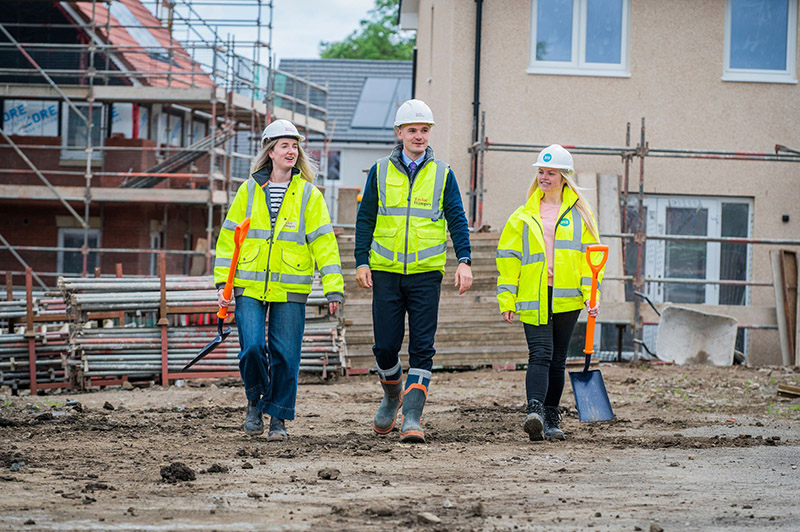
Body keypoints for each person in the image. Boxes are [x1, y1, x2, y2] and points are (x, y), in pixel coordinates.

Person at [214, 119, 343, 440]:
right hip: (249, 284)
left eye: (295, 145)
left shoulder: (309, 196)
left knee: (286, 354)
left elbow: (324, 243)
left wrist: (333, 289)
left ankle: (278, 419)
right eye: (284, 145)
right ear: (270, 151)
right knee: (253, 347)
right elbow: (229, 238)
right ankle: (256, 401)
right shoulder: (248, 191)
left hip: (291, 285)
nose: (291, 150)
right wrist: (222, 285)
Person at [355, 99, 473, 443]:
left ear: (429, 133)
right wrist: (361, 260)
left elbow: (457, 219)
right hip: (386, 272)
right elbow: (366, 219)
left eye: (424, 130)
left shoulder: (443, 173)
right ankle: (393, 395)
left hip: (426, 274)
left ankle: (412, 416)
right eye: (412, 130)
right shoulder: (379, 171)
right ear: (399, 133)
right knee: (385, 347)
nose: (418, 136)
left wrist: (464, 261)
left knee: (423, 347)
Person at [495, 144, 604, 441]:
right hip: (534, 293)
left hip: (568, 296)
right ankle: (535, 412)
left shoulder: (581, 214)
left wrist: (591, 293)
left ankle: (552, 416)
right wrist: (507, 297)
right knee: (539, 354)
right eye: (541, 172)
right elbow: (509, 259)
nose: (544, 177)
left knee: (557, 358)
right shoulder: (522, 215)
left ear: (564, 176)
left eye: (550, 172)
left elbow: (590, 257)